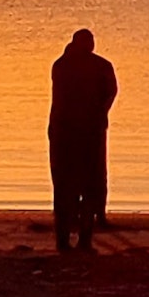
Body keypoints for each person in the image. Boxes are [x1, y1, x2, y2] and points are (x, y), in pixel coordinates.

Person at [48, 29, 117, 252]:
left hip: (66, 132)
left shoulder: (62, 65)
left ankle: (68, 240)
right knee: (85, 186)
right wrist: (99, 113)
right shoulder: (99, 66)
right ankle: (81, 240)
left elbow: (109, 93)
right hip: (84, 132)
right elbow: (110, 93)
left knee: (67, 187)